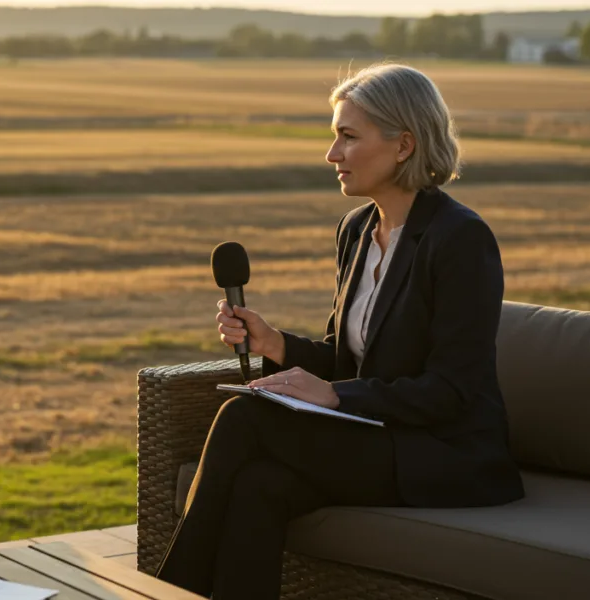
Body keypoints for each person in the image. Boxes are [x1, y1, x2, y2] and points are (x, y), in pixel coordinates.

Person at [154, 63, 525, 599]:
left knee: (242, 417)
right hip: (376, 436)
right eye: (335, 137)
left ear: (404, 145)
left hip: (444, 453)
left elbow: (452, 390)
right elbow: (348, 360)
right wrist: (275, 343)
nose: (332, 154)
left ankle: (167, 592)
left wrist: (335, 396)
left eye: (348, 137)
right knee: (260, 486)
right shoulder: (356, 230)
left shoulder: (460, 239)